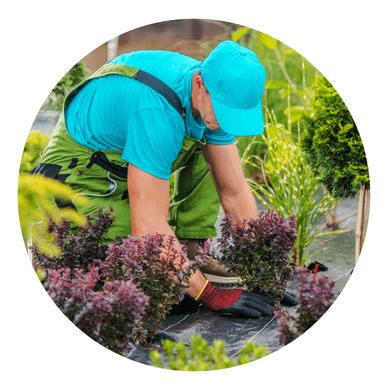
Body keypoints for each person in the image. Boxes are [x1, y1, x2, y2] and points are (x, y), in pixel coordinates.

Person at [31, 40, 296, 318]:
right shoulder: (156, 111)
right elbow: (149, 229)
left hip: (126, 154)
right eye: (223, 112)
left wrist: (264, 274)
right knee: (126, 279)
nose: (225, 121)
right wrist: (211, 295)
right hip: (79, 171)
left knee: (211, 146)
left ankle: (190, 251)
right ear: (198, 84)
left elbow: (234, 191)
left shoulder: (212, 102)